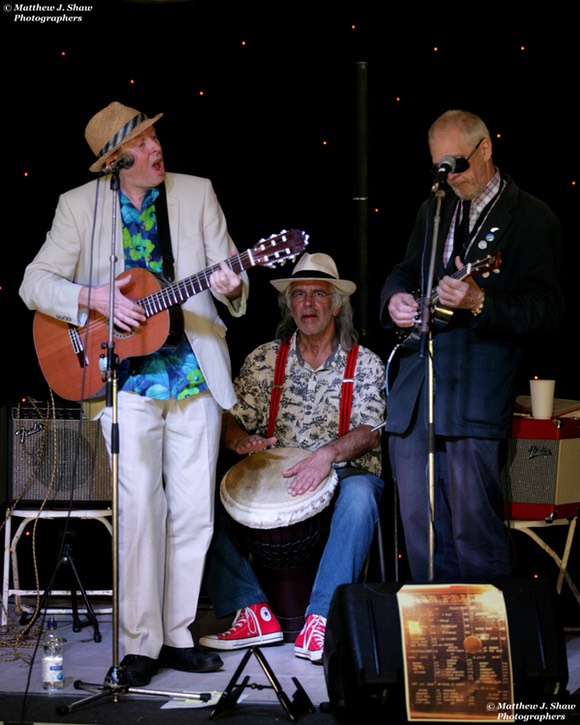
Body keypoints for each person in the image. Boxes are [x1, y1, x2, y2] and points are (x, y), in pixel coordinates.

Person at [19, 101, 250, 686]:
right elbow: (33, 282)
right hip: (123, 378)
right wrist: (92, 299)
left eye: (155, 137)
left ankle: (176, 636)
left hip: (192, 371)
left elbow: (232, 281)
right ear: (116, 160)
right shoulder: (79, 206)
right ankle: (139, 643)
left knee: (193, 514)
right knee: (141, 511)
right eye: (143, 143)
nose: (156, 149)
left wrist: (232, 283)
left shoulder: (197, 193)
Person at [380, 109, 565, 583]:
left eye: (457, 164)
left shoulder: (531, 217)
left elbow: (547, 312)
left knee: (472, 532)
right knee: (422, 530)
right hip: (417, 390)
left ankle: (489, 648)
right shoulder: (434, 208)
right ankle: (434, 645)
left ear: (485, 149)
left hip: (475, 393)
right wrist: (395, 299)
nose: (450, 176)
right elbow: (407, 269)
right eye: (440, 167)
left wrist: (482, 301)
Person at [199, 252, 386, 663]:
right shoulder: (265, 360)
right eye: (299, 295)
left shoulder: (365, 363)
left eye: (319, 294)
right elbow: (229, 417)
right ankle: (251, 611)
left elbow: (370, 433)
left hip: (344, 472)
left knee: (360, 499)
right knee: (196, 501)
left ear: (337, 304)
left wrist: (326, 456)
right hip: (275, 479)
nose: (308, 303)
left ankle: (321, 619)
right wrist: (239, 441)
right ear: (289, 305)